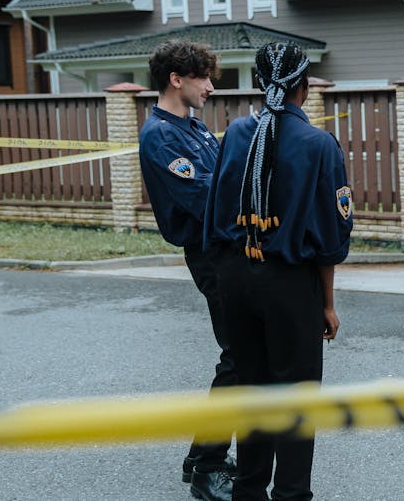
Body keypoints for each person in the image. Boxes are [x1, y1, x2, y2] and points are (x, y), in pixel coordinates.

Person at [203, 42, 352, 501]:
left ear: (260, 83)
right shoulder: (319, 144)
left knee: (251, 388)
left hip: (236, 276)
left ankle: (248, 491)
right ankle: (290, 494)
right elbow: (330, 235)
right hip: (289, 283)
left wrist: (230, 275)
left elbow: (215, 212)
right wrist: (327, 304)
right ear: (303, 87)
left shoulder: (235, 132)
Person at [138, 40, 236, 501]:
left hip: (223, 248)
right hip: (209, 253)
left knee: (239, 354)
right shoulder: (161, 136)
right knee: (239, 356)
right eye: (203, 78)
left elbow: (220, 177)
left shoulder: (192, 127)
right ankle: (208, 469)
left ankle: (199, 456)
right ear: (176, 80)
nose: (210, 87)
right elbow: (204, 195)